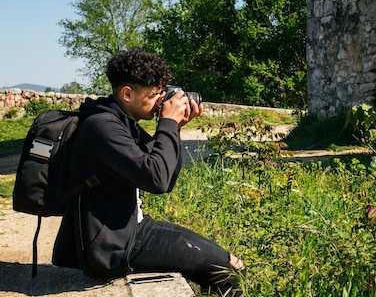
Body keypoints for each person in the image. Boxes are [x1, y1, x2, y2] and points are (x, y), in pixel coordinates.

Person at [52, 47, 244, 296]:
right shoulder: (103, 128)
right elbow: (158, 179)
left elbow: (165, 175)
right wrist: (168, 122)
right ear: (127, 94)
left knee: (230, 264)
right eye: (155, 94)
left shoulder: (118, 121)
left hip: (130, 229)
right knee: (226, 268)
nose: (161, 100)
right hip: (114, 245)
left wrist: (174, 128)